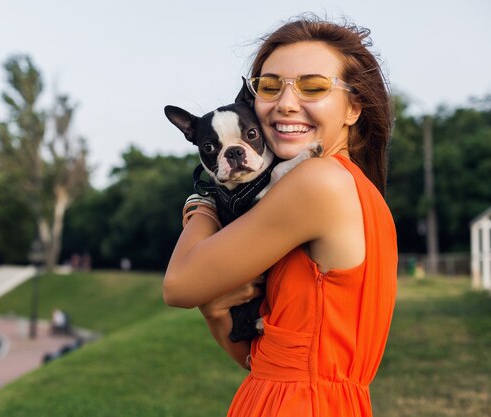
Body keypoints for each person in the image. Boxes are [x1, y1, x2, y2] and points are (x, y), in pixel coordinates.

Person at [163, 15, 397, 417]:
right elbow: (264, 361)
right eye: (270, 86)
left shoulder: (317, 182)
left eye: (313, 86)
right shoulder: (354, 187)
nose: (287, 103)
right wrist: (219, 313)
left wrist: (203, 200)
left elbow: (178, 286)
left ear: (354, 107)